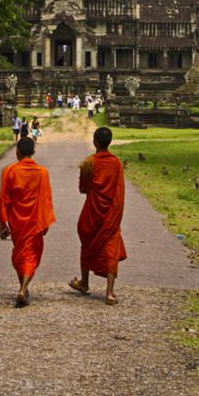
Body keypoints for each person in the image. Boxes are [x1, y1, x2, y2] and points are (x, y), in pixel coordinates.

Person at [69, 126, 126, 305]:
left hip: (91, 213)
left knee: (87, 244)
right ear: (110, 142)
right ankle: (109, 293)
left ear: (95, 142)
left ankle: (85, 282)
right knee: (110, 249)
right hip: (111, 213)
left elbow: (82, 188)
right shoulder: (116, 163)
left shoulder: (88, 163)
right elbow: (118, 189)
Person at [0, 136, 55, 307]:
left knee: (20, 254)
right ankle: (23, 288)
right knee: (30, 255)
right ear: (33, 153)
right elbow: (46, 199)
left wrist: (3, 222)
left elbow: (4, 199)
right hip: (35, 222)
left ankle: (22, 287)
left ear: (17, 152)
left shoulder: (10, 171)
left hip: (16, 221)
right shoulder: (42, 172)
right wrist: (45, 222)